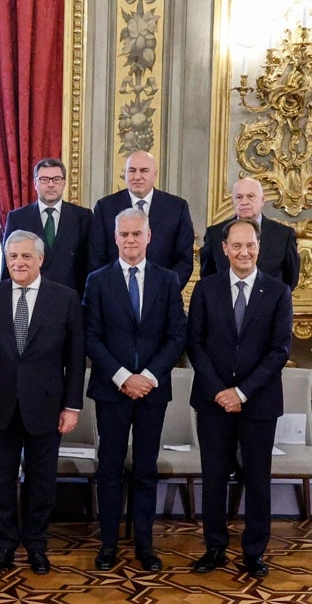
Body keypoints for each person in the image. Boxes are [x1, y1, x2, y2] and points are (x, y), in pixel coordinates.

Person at [187, 218, 292, 578]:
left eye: (250, 245)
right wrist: (220, 390)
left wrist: (242, 392)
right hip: (213, 401)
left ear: (258, 249)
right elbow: (195, 345)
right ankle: (214, 548)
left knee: (258, 478)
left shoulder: (278, 292)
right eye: (237, 246)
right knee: (213, 478)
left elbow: (279, 351)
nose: (243, 252)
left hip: (258, 403)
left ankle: (254, 552)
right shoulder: (206, 289)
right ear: (225, 249)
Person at [0, 230, 84, 575]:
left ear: (40, 259)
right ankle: (5, 544)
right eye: (12, 257)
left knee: (42, 481)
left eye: (25, 256)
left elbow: (76, 357)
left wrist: (72, 406)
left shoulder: (64, 298)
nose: (18, 263)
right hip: (1, 404)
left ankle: (36, 545)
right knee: (1, 480)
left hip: (48, 406)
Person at [82, 208, 186, 572]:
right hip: (112, 390)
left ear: (148, 236)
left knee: (145, 470)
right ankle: (108, 545)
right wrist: (124, 376)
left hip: (153, 392)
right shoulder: (97, 280)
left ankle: (145, 544)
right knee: (109, 468)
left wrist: (149, 376)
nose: (130, 240)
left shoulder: (168, 280)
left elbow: (177, 336)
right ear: (115, 238)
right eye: (123, 234)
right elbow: (91, 338)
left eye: (136, 234)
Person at [89, 150, 195, 288]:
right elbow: (97, 257)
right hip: (115, 295)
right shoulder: (105, 207)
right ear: (125, 174)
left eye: (144, 170)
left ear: (155, 174)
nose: (137, 176)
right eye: (132, 171)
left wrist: (165, 290)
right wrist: (113, 291)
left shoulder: (177, 207)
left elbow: (184, 260)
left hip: (161, 297)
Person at [2, 158, 94, 293]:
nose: (51, 184)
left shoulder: (83, 216)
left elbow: (90, 263)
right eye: (44, 179)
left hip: (71, 298)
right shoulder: (18, 217)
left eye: (56, 179)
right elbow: (8, 264)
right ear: (35, 184)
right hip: (29, 297)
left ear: (64, 183)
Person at [201, 177, 299, 289]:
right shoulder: (214, 234)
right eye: (239, 197)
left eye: (250, 196)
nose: (244, 202)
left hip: (269, 304)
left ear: (262, 200)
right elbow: (207, 277)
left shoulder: (284, 235)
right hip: (225, 303)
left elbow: (291, 279)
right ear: (233, 201)